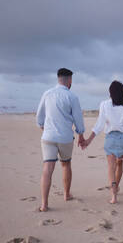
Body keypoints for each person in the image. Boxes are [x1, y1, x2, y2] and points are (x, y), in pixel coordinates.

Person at [35, 68, 85, 212]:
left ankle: (44, 204)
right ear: (69, 80)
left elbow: (39, 117)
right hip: (65, 137)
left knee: (47, 168)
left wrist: (44, 129)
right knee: (66, 164)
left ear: (58, 79)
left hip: (48, 137)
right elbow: (78, 119)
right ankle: (66, 194)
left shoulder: (47, 94)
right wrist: (81, 135)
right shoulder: (72, 96)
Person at [83, 80, 123, 204]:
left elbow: (99, 125)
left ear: (111, 93)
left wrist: (89, 140)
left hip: (110, 140)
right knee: (120, 164)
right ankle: (116, 187)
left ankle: (114, 196)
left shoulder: (104, 104)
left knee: (111, 168)